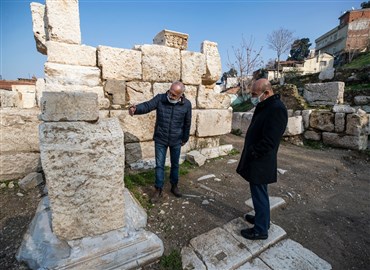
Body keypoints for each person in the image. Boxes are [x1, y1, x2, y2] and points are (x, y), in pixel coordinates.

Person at [236, 78, 288, 240]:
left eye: (254, 94)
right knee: (259, 192)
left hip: (261, 159)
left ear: (266, 93)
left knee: (259, 193)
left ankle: (260, 230)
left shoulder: (277, 109)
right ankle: (262, 220)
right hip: (257, 158)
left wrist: (253, 152)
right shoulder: (266, 104)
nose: (252, 96)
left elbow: (270, 140)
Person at [128, 81, 192, 202]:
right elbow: (147, 106)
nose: (170, 96)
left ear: (180, 95)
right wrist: (136, 109)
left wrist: (185, 138)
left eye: (174, 95)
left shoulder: (187, 105)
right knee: (159, 166)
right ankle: (158, 189)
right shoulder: (160, 98)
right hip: (160, 138)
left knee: (175, 165)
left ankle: (174, 186)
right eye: (170, 92)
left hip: (176, 139)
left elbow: (187, 123)